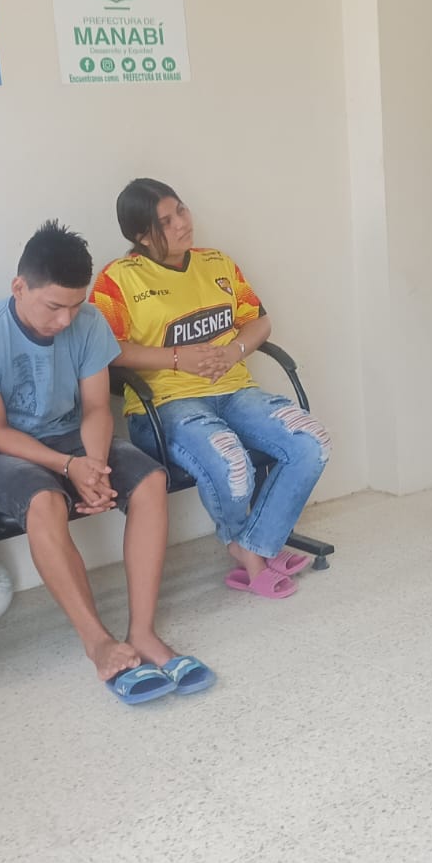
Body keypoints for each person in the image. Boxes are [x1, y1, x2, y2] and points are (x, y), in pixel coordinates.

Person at [0, 221, 213, 703]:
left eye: (75, 305)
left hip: (71, 435)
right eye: (54, 307)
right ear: (19, 287)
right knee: (44, 501)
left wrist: (95, 465)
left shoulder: (88, 323)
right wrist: (70, 469)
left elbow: (95, 408)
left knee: (150, 480)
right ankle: (98, 642)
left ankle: (143, 632)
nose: (66, 320)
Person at [92, 180, 332, 598]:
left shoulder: (217, 263)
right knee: (232, 461)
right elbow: (106, 350)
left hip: (235, 391)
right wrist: (177, 358)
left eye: (181, 210)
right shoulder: (117, 279)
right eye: (166, 222)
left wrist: (235, 351)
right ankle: (253, 557)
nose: (182, 224)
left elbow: (259, 321)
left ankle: (254, 545)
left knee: (312, 441)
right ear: (142, 236)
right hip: (166, 405)